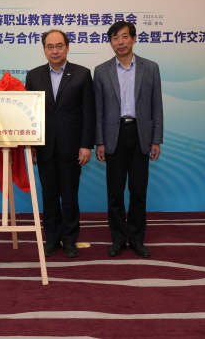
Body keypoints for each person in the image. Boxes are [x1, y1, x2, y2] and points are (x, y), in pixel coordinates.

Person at [93, 21, 163, 258]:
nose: (120, 42)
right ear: (110, 42)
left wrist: (156, 139)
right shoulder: (101, 71)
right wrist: (99, 141)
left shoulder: (150, 68)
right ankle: (118, 239)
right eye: (115, 38)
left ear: (134, 39)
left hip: (141, 134)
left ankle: (137, 239)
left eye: (124, 37)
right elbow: (98, 109)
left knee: (138, 191)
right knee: (114, 192)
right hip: (114, 136)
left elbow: (157, 105)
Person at [25, 30, 95, 258]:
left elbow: (88, 112)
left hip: (72, 146)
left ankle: (70, 240)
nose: (54, 51)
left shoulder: (82, 74)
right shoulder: (33, 75)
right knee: (49, 196)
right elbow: (29, 114)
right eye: (49, 46)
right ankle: (52, 239)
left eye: (59, 46)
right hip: (44, 147)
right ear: (44, 49)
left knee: (70, 196)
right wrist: (31, 145)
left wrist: (86, 145)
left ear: (67, 47)